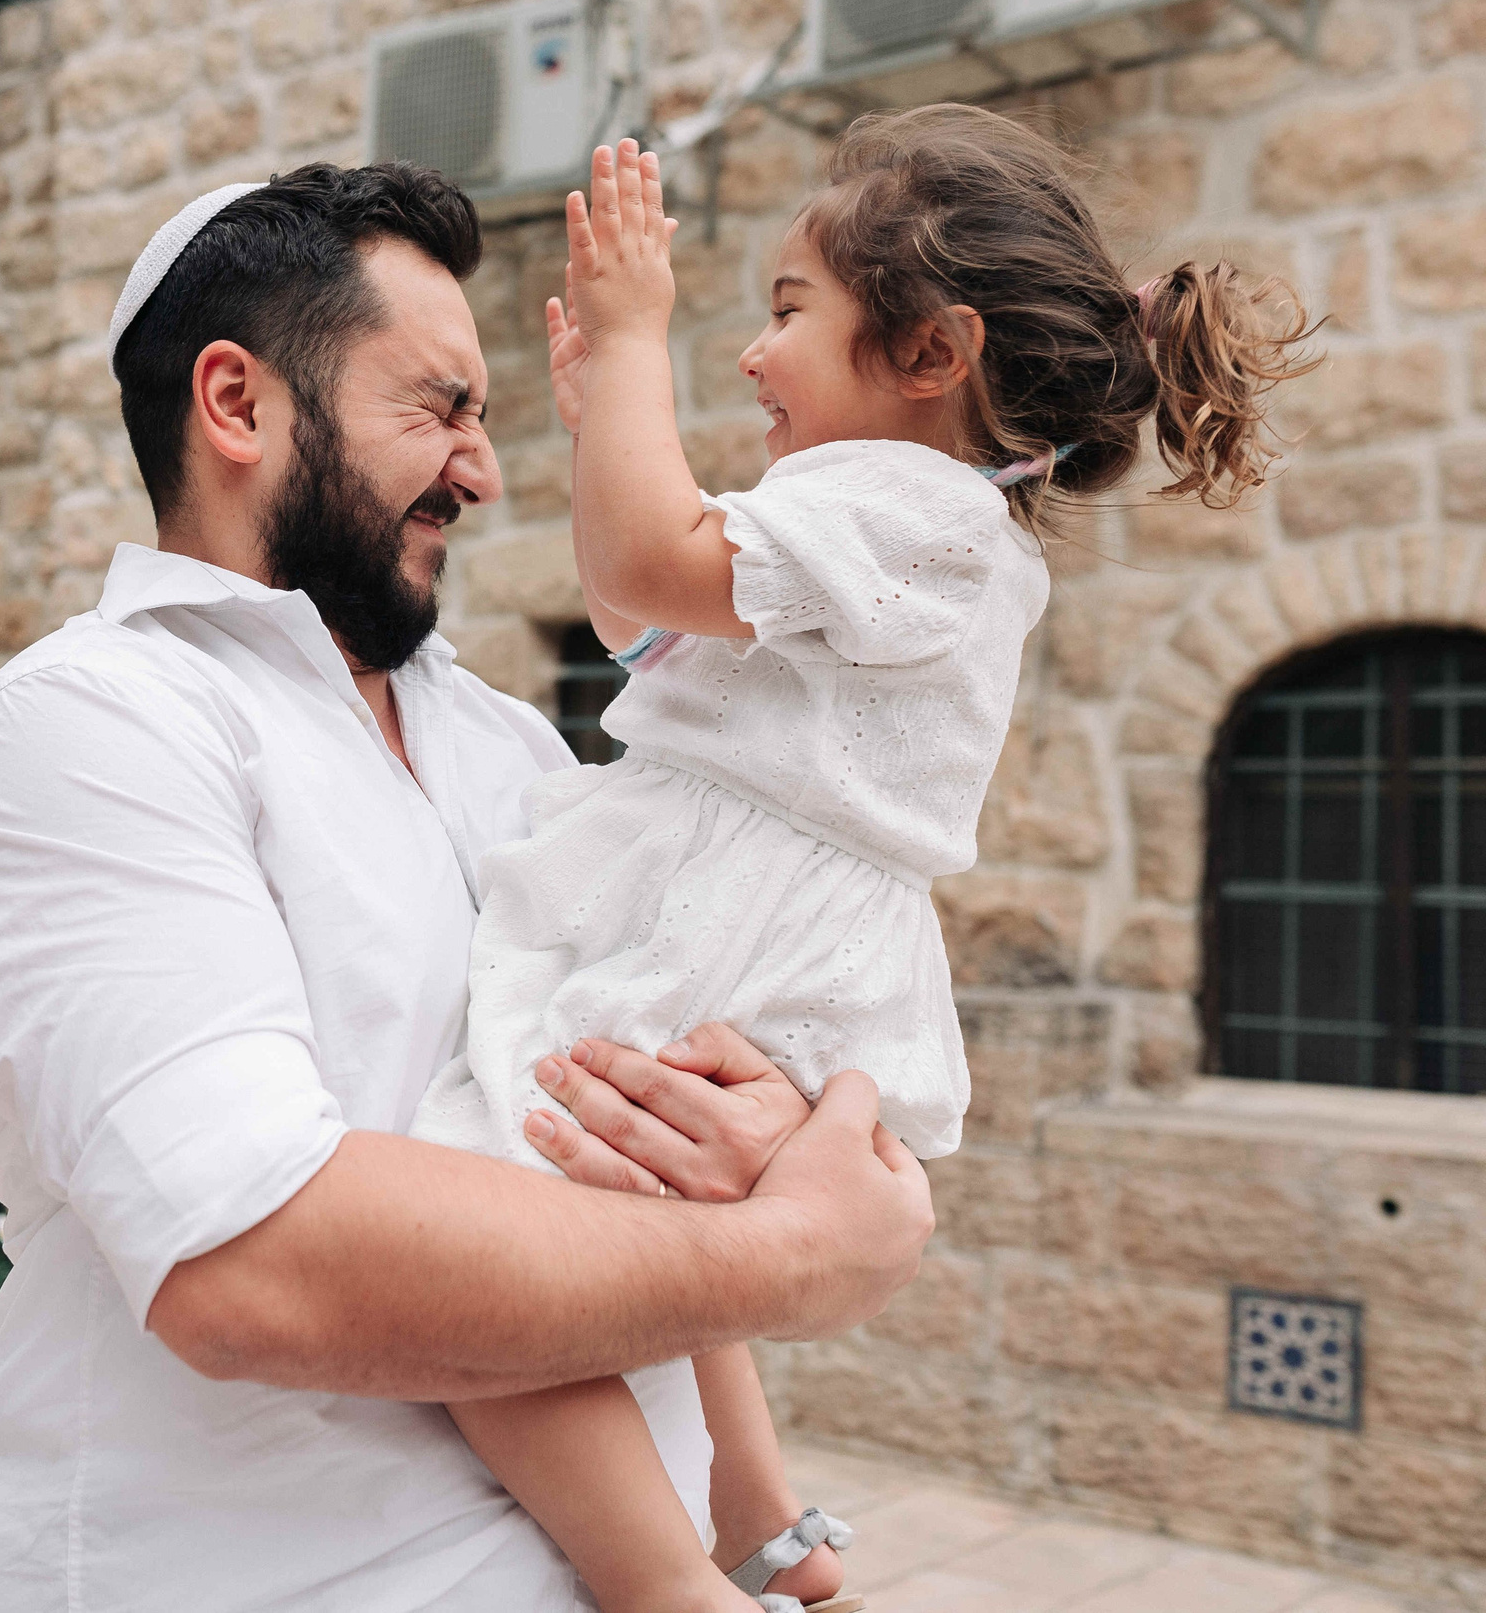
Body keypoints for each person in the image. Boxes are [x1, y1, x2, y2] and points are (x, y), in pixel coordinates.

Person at [0, 161, 935, 1612]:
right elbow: (249, 1263)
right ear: (237, 404)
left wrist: (752, 1138)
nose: (484, 469)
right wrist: (791, 1252)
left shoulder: (510, 744)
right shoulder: (94, 725)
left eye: (485, 418)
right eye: (439, 409)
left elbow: (619, 1126)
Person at [413, 108, 1319, 1613]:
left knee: (487, 1243)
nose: (753, 355)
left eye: (787, 312)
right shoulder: (926, 525)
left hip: (738, 910)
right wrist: (601, 428)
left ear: (929, 353)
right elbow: (657, 635)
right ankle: (758, 1512)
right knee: (657, 1205)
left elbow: (643, 564)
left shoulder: (909, 512)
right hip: (762, 909)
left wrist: (633, 340)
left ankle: (664, 1585)